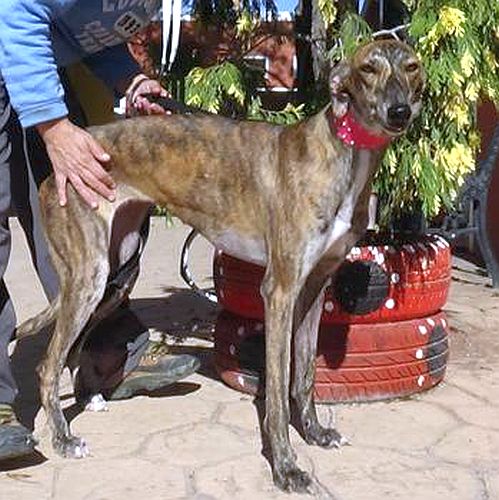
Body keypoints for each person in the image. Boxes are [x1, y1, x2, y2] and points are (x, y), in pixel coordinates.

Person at [0, 0, 198, 461]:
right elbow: (18, 11)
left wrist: (130, 79)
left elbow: (84, 29)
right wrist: (53, 126)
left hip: (39, 65)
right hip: (16, 41)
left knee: (80, 205)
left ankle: (108, 353)